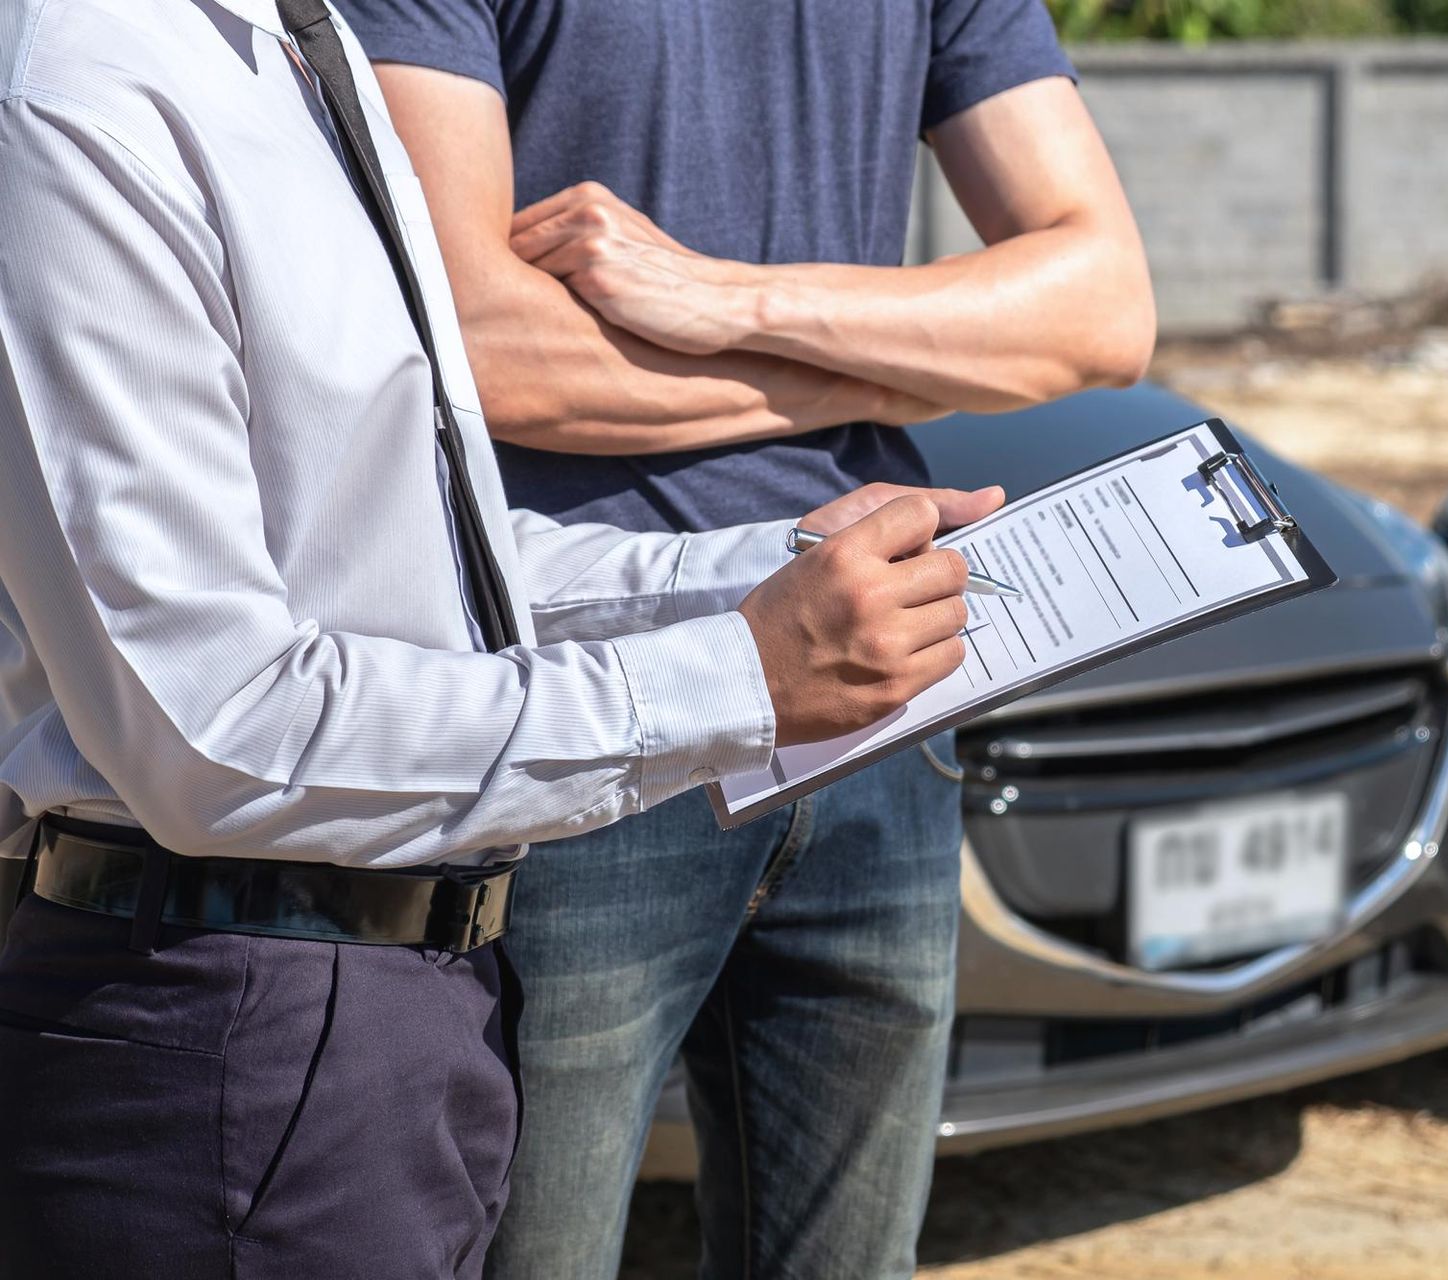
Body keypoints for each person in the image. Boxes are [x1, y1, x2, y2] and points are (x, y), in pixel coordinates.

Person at [0, 1, 996, 1275]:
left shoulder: (297, 43)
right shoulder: (77, 85)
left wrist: (759, 575)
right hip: (226, 1018)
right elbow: (219, 730)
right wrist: (740, 672)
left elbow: (419, 571)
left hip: (402, 1010)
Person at [332, 0, 1156, 1274]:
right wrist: (909, 360)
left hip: (888, 682)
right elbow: (479, 349)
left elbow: (1098, 311)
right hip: (588, 693)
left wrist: (725, 298)